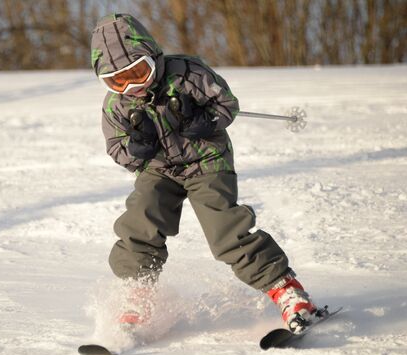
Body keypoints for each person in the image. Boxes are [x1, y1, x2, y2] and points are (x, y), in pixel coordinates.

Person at [91, 13, 317, 334]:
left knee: (224, 229)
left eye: (138, 72)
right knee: (142, 217)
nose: (131, 86)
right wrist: (138, 148)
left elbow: (227, 104)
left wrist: (204, 121)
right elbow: (117, 149)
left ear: (153, 57)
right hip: (159, 169)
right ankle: (136, 296)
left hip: (207, 161)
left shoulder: (188, 73)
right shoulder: (117, 105)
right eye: (117, 80)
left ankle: (286, 290)